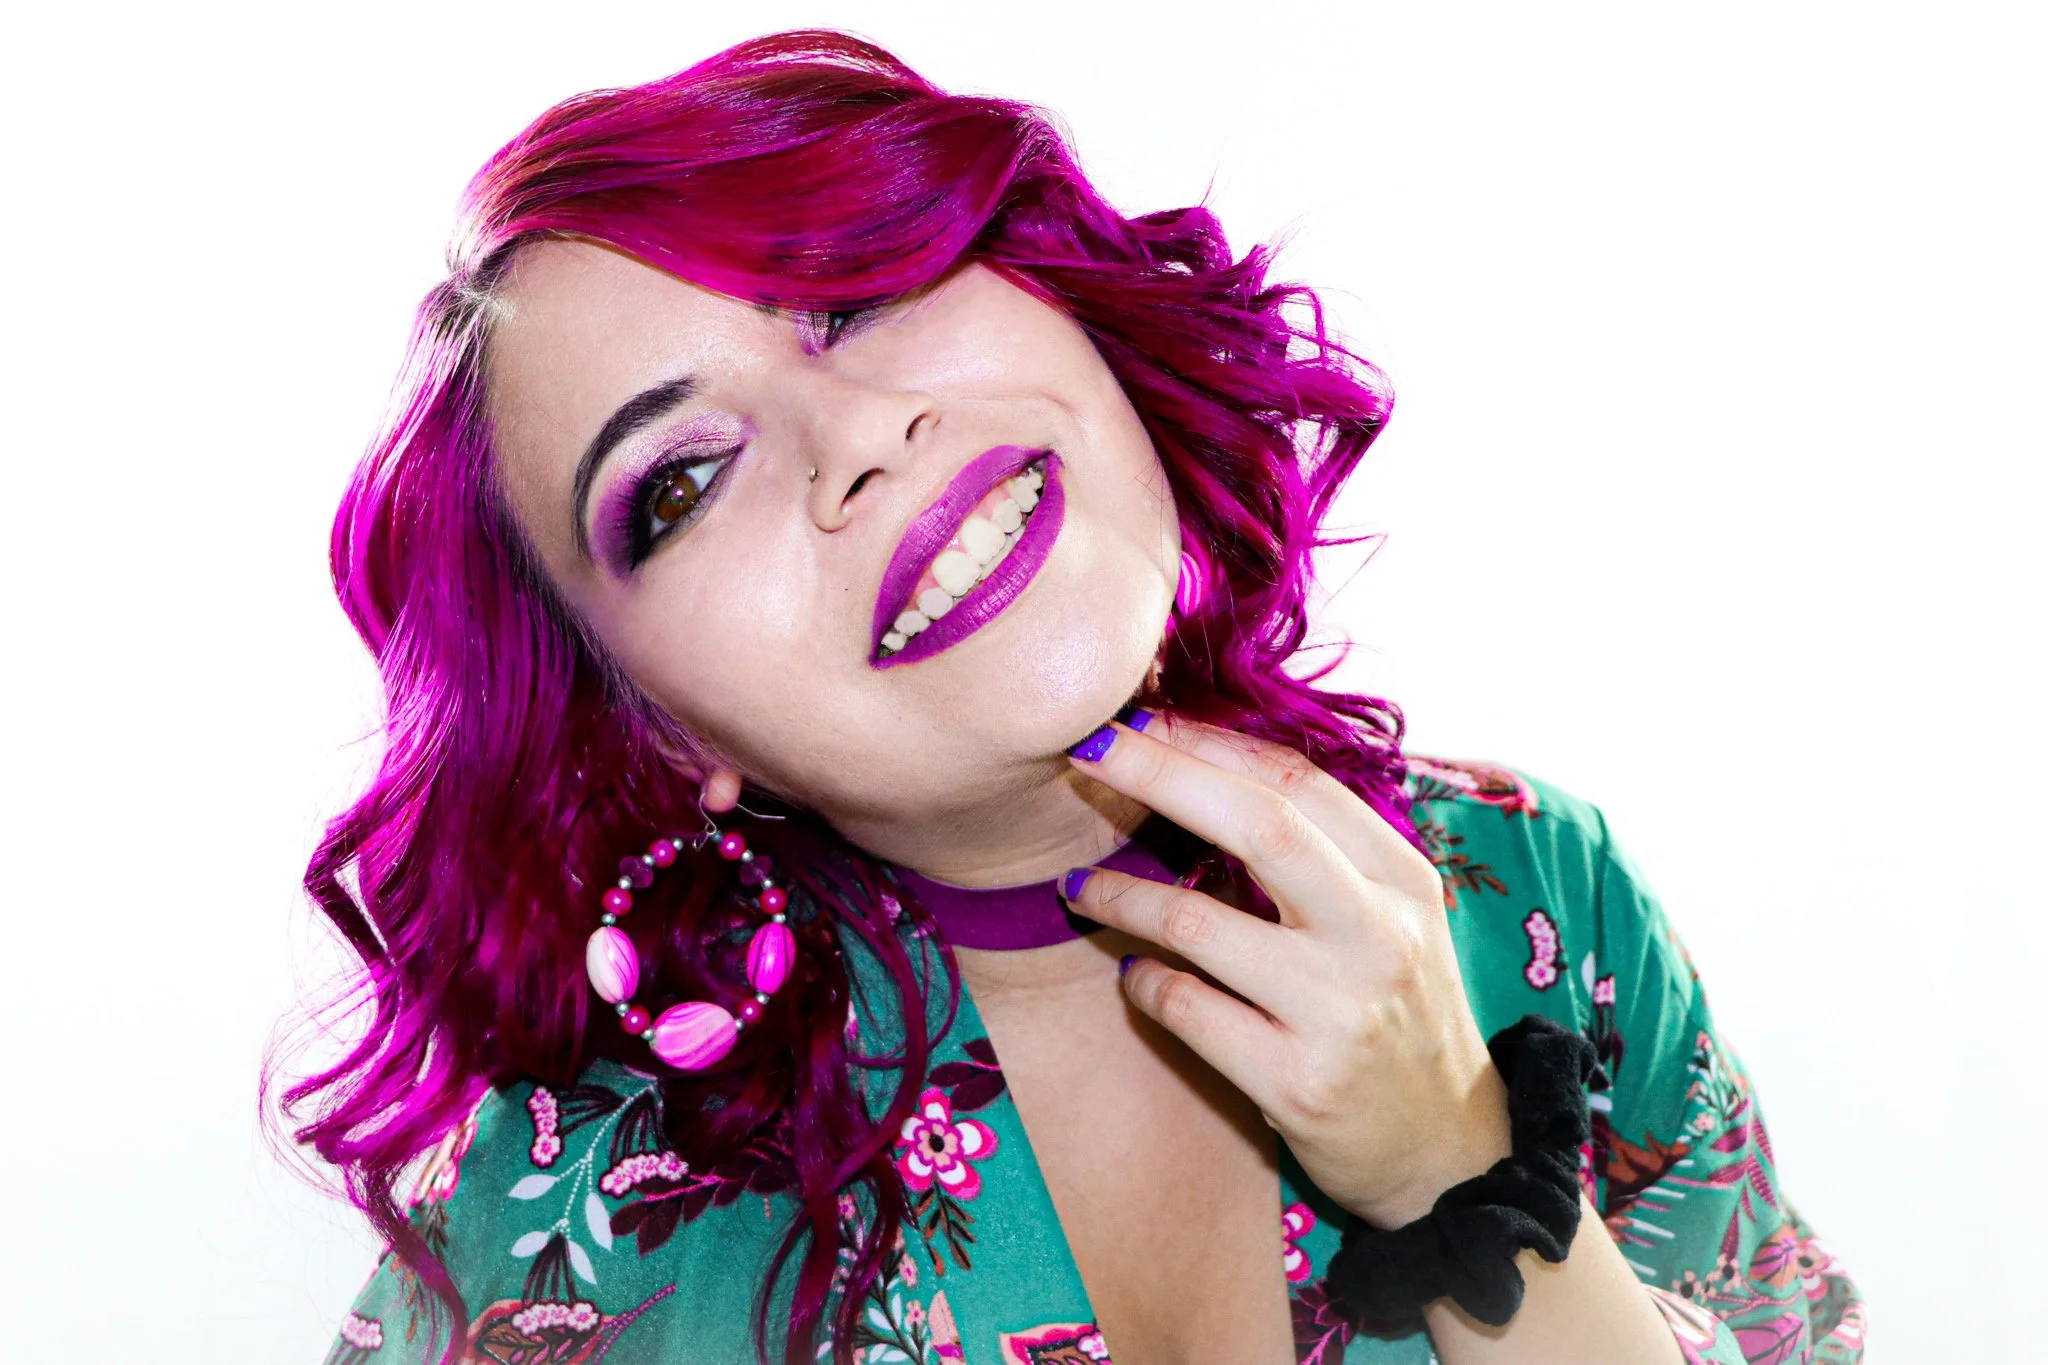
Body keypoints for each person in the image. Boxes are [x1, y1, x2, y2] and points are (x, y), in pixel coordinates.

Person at [290, 29, 1864, 1365]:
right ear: (658, 725)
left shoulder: (1540, 891)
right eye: (683, 481)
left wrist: (1460, 1169)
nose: (862, 439)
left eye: (854, 289)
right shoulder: (553, 1225)